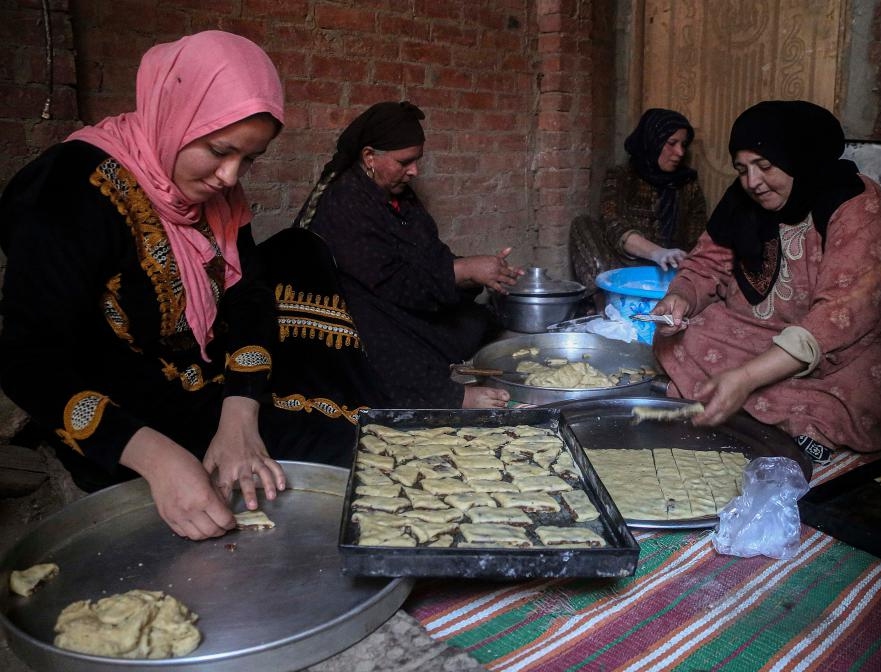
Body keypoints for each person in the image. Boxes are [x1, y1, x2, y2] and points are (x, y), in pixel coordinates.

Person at [0, 31, 296, 541]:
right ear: (174, 111)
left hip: (206, 389)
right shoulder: (69, 191)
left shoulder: (216, 197)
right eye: (219, 150)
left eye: (249, 159)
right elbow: (28, 361)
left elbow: (249, 294)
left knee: (338, 447)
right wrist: (155, 459)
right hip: (120, 414)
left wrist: (240, 413)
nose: (229, 177)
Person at [651, 100, 881, 459]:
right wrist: (682, 297)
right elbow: (706, 265)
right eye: (742, 169)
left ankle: (793, 419)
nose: (752, 182)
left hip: (847, 342)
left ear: (798, 156)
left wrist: (747, 377)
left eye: (765, 166)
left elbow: (841, 315)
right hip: (766, 331)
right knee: (689, 335)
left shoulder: (858, 205)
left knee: (873, 381)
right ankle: (754, 405)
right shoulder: (741, 199)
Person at [293, 101, 523, 409]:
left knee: (475, 321)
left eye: (417, 161)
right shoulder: (344, 202)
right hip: (360, 312)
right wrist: (463, 270)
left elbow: (430, 254)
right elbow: (390, 282)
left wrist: (474, 272)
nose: (414, 171)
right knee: (383, 344)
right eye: (405, 162)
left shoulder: (400, 196)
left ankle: (428, 358)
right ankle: (448, 396)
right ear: (369, 157)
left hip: (399, 300)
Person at [570, 108, 707, 307]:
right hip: (622, 267)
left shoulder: (688, 185)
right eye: (671, 143)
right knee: (582, 224)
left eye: (683, 145)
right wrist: (657, 252)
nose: (680, 152)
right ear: (652, 141)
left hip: (669, 273)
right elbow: (613, 224)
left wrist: (678, 260)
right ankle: (604, 304)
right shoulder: (621, 177)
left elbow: (698, 237)